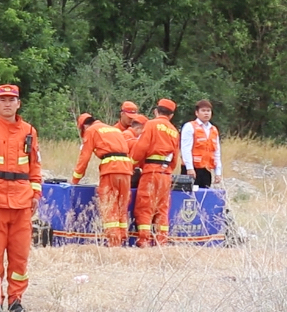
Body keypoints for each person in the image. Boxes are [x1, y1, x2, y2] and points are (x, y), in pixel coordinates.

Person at [0, 84, 42, 312]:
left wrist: (36, 193)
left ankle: (15, 300)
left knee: (19, 256)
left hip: (22, 202)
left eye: (11, 99)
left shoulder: (30, 131)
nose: (7, 103)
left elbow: (35, 166)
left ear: (18, 103)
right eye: (2, 99)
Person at [71, 113, 133, 246]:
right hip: (127, 169)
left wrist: (75, 180)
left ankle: (113, 242)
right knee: (122, 204)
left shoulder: (91, 130)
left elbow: (84, 157)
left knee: (109, 204)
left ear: (84, 126)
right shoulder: (114, 129)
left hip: (111, 168)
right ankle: (122, 239)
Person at [131, 99, 180, 247]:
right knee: (162, 208)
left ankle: (144, 240)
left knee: (145, 206)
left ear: (156, 111)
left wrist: (131, 164)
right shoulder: (174, 131)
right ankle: (161, 241)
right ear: (171, 115)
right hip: (166, 174)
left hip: (151, 171)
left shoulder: (151, 125)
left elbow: (141, 147)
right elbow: (175, 157)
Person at [180, 99, 222, 188]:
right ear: (197, 113)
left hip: (206, 170)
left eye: (208, 111)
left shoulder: (213, 130)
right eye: (203, 111)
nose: (206, 113)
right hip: (192, 169)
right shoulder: (190, 126)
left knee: (204, 198)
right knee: (189, 198)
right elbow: (185, 149)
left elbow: (216, 152)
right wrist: (189, 168)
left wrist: (218, 172)